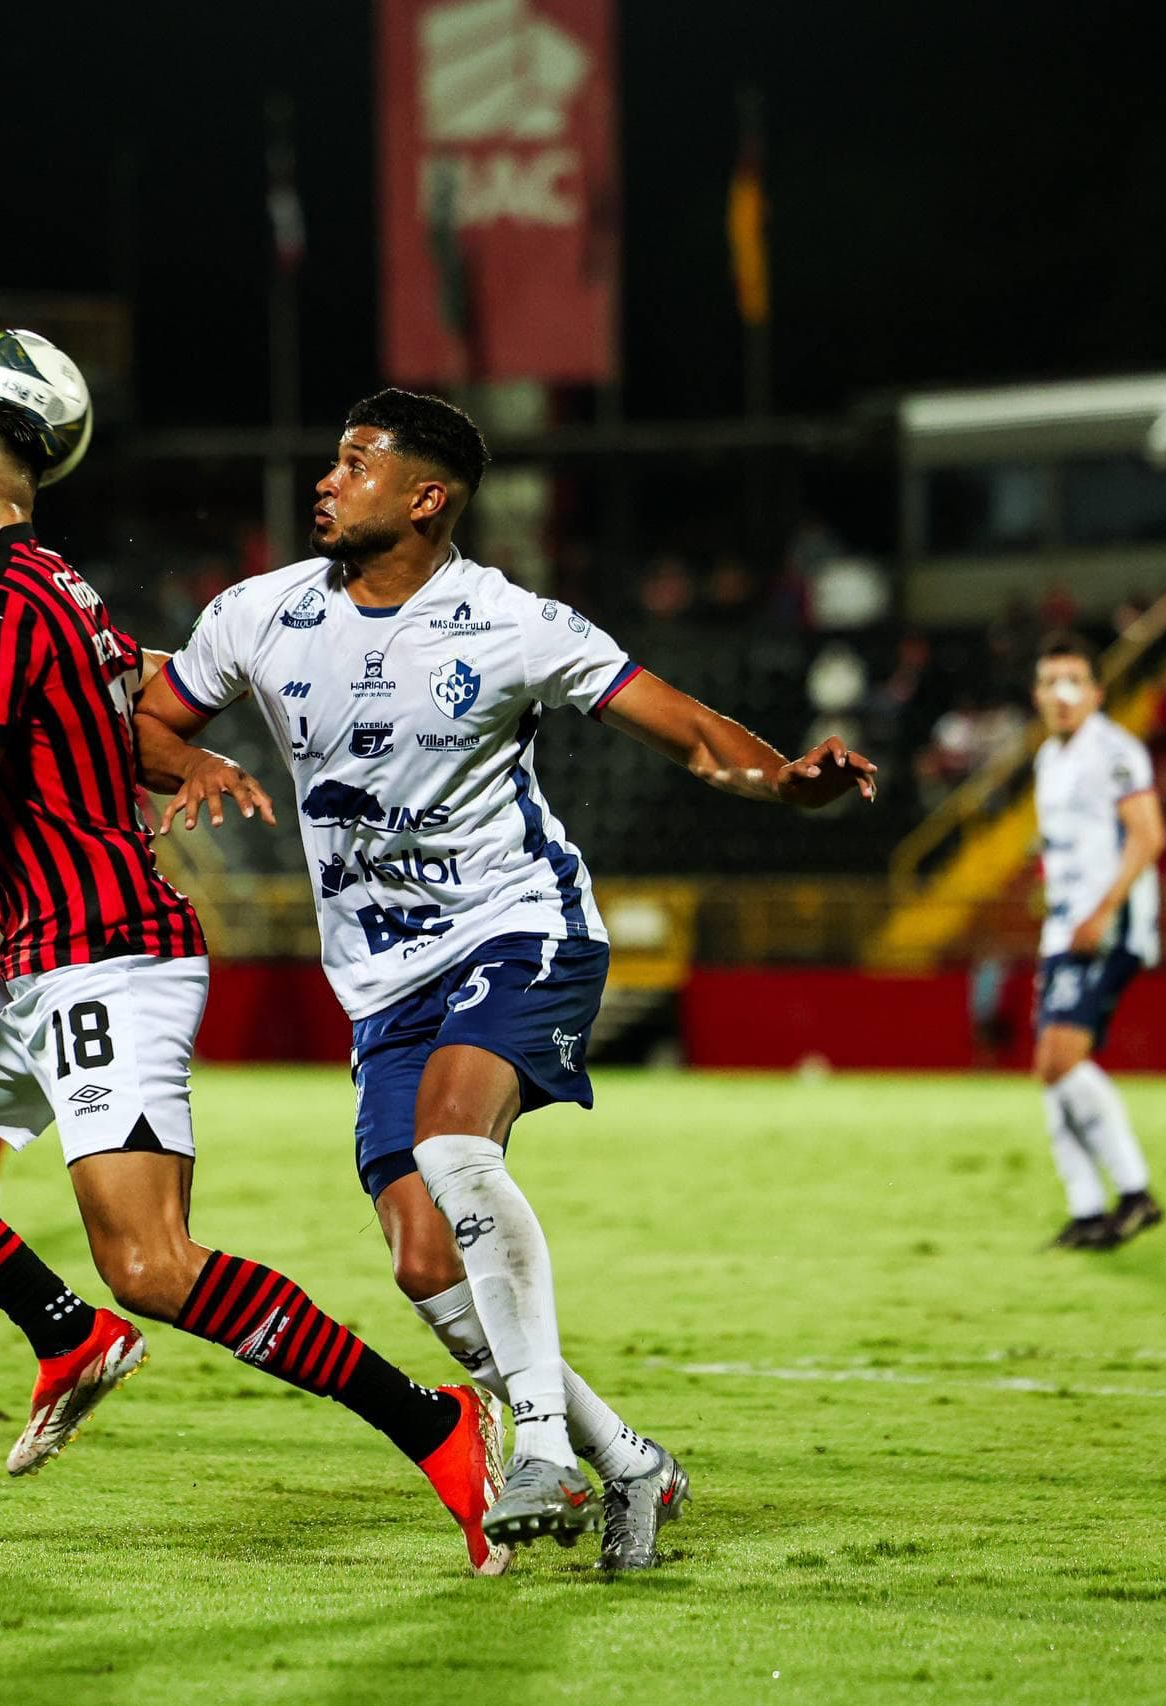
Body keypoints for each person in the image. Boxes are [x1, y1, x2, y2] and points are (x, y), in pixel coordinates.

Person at [0, 402, 510, 1576]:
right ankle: (61, 1329)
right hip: (36, 952)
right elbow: (122, 692)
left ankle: (434, 1424)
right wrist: (192, 756)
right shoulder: (52, 582)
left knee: (154, 1263)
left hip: (106, 955)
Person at [135, 388, 875, 1567]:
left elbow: (681, 728)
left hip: (517, 926)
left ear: (425, 498)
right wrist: (191, 756)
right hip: (379, 980)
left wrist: (783, 779)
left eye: (354, 462)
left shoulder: (511, 622)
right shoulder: (258, 615)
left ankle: (536, 1445)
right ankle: (629, 1461)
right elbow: (140, 723)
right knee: (425, 1261)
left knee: (452, 1142)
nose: (325, 481)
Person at [1027, 634, 1166, 1250]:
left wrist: (1102, 911)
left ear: (1096, 693)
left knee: (1060, 1063)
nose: (1062, 694)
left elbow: (1148, 835)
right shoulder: (1047, 760)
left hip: (1106, 927)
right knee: (1050, 1072)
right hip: (1064, 926)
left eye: (1073, 681)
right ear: (1036, 694)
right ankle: (1089, 1210)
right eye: (1050, 681)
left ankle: (1134, 1192)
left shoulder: (1113, 749)